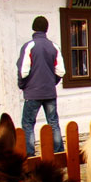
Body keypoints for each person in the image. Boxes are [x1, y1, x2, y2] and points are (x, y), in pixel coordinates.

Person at [17, 16, 65, 157]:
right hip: (49, 92)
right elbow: (61, 71)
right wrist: (51, 82)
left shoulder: (29, 46)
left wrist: (23, 85)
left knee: (28, 123)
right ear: (46, 29)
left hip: (33, 92)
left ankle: (30, 153)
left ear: (34, 28)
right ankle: (59, 151)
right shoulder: (54, 47)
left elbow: (23, 71)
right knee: (53, 122)